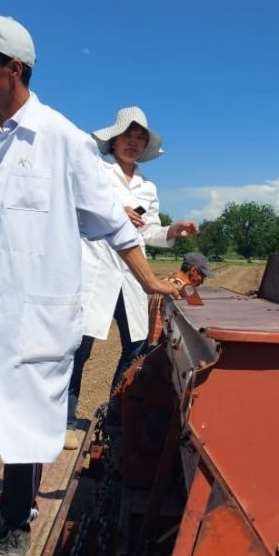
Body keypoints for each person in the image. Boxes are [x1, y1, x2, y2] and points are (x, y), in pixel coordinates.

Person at [0, 15, 178, 556]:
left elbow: (113, 221)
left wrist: (150, 281)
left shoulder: (62, 140)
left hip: (28, 311)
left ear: (14, 67)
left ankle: (15, 524)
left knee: (22, 411)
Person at [67, 107, 199, 441]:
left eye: (140, 138)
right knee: (79, 347)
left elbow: (149, 230)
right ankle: (65, 420)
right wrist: (112, 212)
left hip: (131, 272)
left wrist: (172, 231)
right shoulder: (96, 170)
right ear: (114, 140)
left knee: (136, 344)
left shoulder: (147, 187)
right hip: (94, 265)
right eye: (129, 135)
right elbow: (74, 207)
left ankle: (115, 415)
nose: (134, 142)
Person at [146, 251, 214, 346]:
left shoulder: (164, 283)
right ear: (193, 271)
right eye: (202, 276)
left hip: (150, 339)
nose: (202, 282)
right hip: (160, 344)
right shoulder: (181, 290)